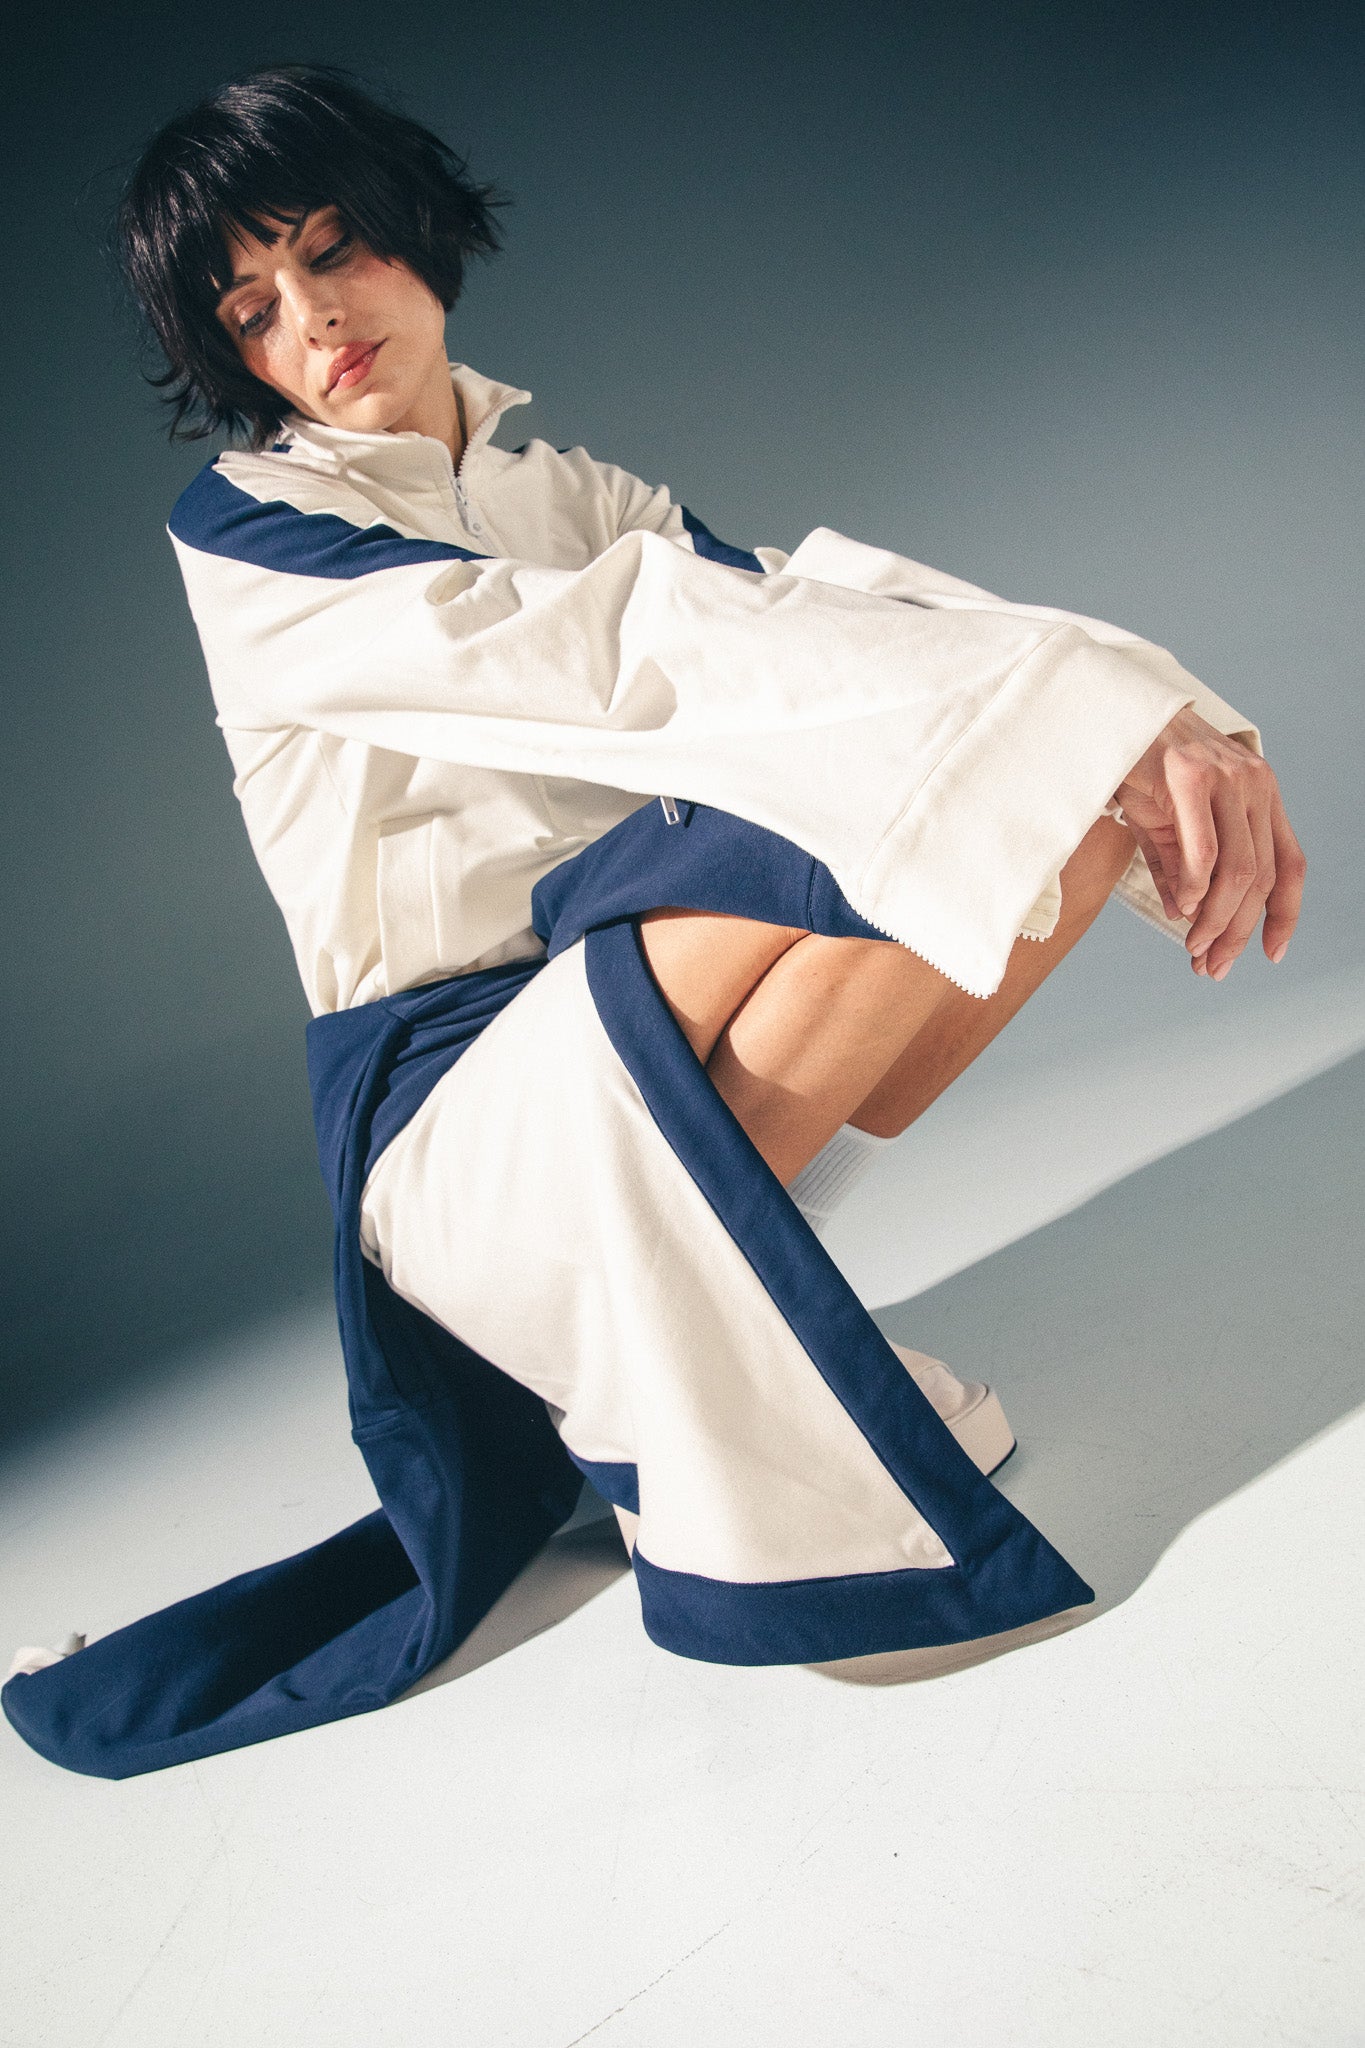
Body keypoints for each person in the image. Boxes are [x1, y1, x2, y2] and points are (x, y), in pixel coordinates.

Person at [2, 66, 1304, 1777]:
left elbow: (811, 620)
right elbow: (633, 652)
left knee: (1028, 791)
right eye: (251, 307)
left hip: (622, 994)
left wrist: (1152, 711)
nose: (310, 318)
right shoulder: (252, 533)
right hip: (444, 1117)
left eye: (330, 249)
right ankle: (657, 1367)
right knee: (931, 759)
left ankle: (701, 1331)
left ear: (413, 230)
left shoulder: (572, 492)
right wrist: (1080, 704)